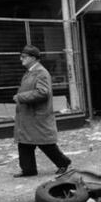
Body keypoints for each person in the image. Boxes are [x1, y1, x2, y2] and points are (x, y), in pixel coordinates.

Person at [12, 45, 71, 177]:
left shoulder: (41, 73)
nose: (21, 59)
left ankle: (63, 162)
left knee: (45, 143)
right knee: (25, 143)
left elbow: (43, 92)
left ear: (33, 58)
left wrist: (21, 97)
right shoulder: (30, 72)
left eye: (24, 56)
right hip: (29, 115)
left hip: (37, 116)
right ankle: (28, 170)